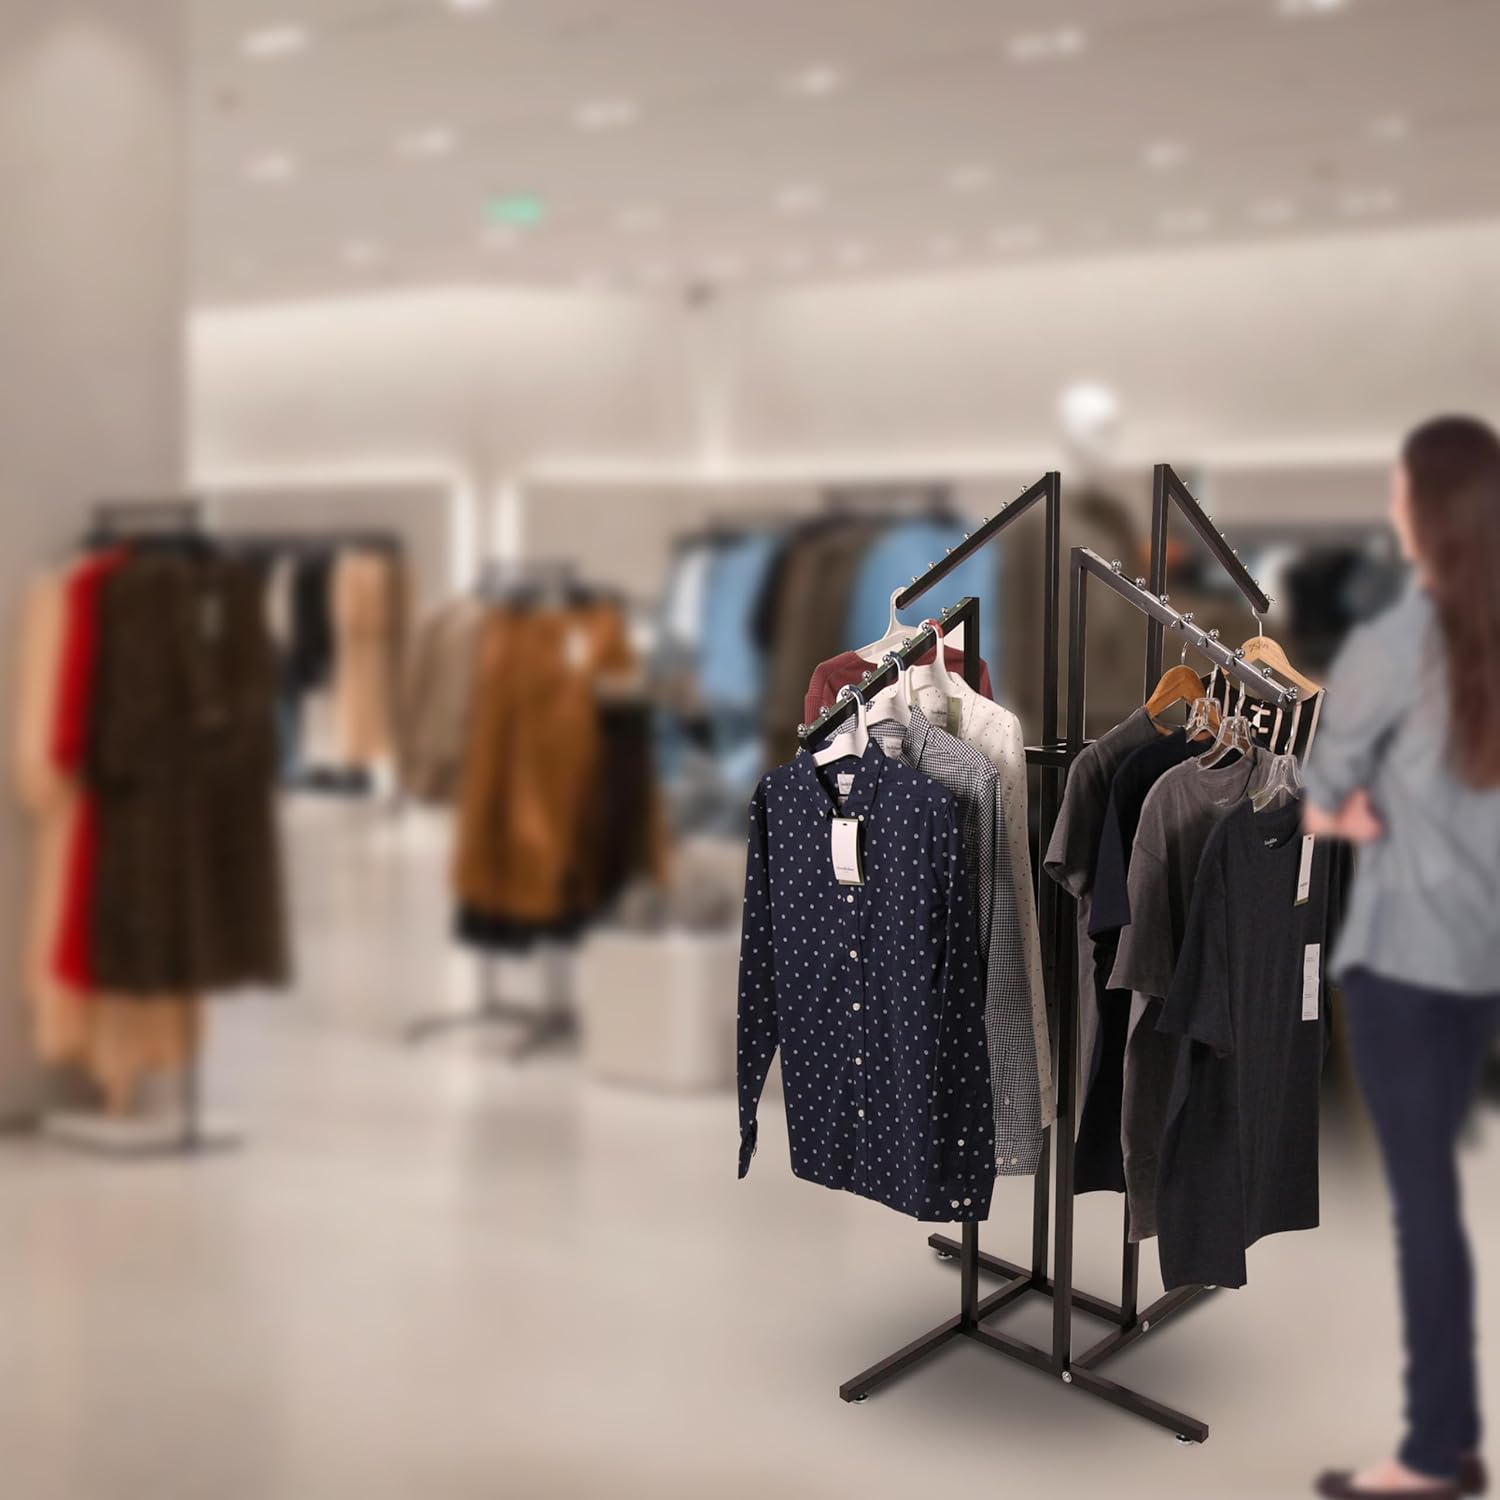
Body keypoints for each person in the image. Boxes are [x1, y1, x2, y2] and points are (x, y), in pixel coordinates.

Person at [1306, 416, 1500, 1500]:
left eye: (1397, 491)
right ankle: (1452, 1432)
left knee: (1422, 1207)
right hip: (1482, 956)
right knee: (1438, 1204)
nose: (1390, 506)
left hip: (1401, 963)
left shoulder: (1390, 644)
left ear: (1425, 510)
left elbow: (1320, 793)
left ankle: (1433, 1454)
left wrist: (1352, 819)